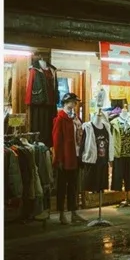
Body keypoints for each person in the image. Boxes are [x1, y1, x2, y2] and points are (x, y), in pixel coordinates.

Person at [50, 95, 83, 223]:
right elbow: (57, 141)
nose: (75, 104)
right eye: (73, 102)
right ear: (66, 102)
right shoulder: (60, 119)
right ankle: (61, 213)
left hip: (75, 155)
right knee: (62, 186)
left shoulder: (75, 118)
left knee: (73, 186)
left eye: (75, 102)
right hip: (65, 158)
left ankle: (73, 212)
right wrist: (58, 159)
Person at [108, 101, 130, 205]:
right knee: (118, 175)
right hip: (119, 152)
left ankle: (128, 197)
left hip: (129, 152)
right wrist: (110, 155)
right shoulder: (114, 122)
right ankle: (120, 198)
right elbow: (111, 139)